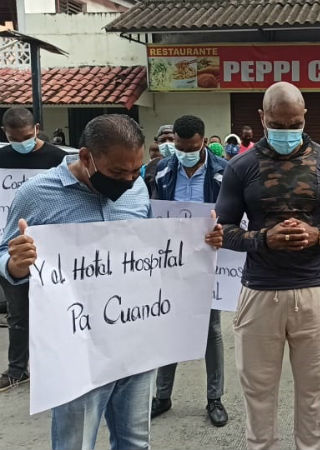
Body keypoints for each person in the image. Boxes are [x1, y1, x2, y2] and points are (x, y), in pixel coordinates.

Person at [0, 114, 222, 449]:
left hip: (134, 341)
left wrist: (200, 244)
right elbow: (4, 253)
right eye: (118, 172)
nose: (129, 179)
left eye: (135, 171)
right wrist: (15, 265)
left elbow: (151, 249)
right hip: (76, 347)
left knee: (135, 441)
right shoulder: (37, 194)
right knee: (76, 443)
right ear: (87, 157)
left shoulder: (137, 190)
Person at [215, 81, 320, 450]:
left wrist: (317, 234)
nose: (287, 132)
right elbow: (223, 230)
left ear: (305, 116)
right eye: (278, 124)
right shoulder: (241, 166)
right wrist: (263, 239)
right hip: (260, 292)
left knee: (313, 392)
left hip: (313, 290)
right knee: (257, 393)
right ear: (262, 118)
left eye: (294, 124)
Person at [151, 115, 229, 427]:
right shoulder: (161, 170)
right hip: (171, 259)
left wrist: (226, 232)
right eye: (180, 147)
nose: (185, 152)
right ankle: (162, 396)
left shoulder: (224, 172)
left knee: (211, 330)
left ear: (203, 141)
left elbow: (237, 213)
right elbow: (152, 209)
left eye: (192, 147)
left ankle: (214, 399)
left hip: (209, 259)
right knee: (169, 325)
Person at [0, 107, 67, 392]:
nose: (21, 142)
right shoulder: (1, 158)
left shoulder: (58, 158)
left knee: (55, 310)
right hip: (12, 247)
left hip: (52, 248)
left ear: (37, 129)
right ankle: (17, 369)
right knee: (18, 314)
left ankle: (55, 366)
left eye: (26, 136)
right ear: (6, 134)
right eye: (15, 138)